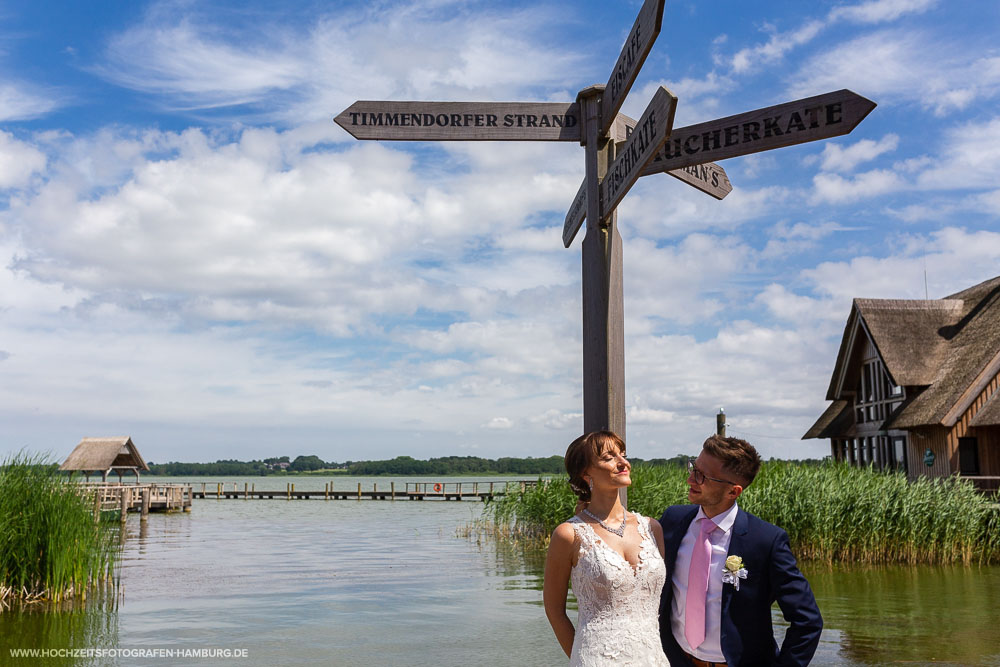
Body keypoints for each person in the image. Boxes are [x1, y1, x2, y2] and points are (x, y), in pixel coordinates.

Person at [658, 435, 822, 667]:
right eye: (694, 468)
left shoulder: (766, 541)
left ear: (733, 492)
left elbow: (808, 621)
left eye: (702, 476)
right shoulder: (672, 521)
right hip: (676, 660)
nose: (690, 479)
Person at [544, 431, 671, 666]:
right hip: (596, 658)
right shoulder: (569, 534)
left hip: (652, 657)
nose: (623, 463)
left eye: (623, 454)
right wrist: (581, 658)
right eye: (609, 457)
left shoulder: (652, 528)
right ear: (585, 473)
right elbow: (554, 609)